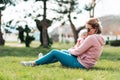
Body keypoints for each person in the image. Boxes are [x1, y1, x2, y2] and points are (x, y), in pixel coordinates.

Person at [21, 18, 105, 69]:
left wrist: (70, 50)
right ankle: (42, 60)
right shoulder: (98, 38)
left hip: (82, 64)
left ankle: (34, 63)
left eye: (88, 29)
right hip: (87, 63)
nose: (87, 31)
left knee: (55, 52)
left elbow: (78, 51)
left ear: (95, 29)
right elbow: (81, 49)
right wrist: (81, 40)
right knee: (62, 51)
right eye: (86, 29)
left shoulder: (91, 38)